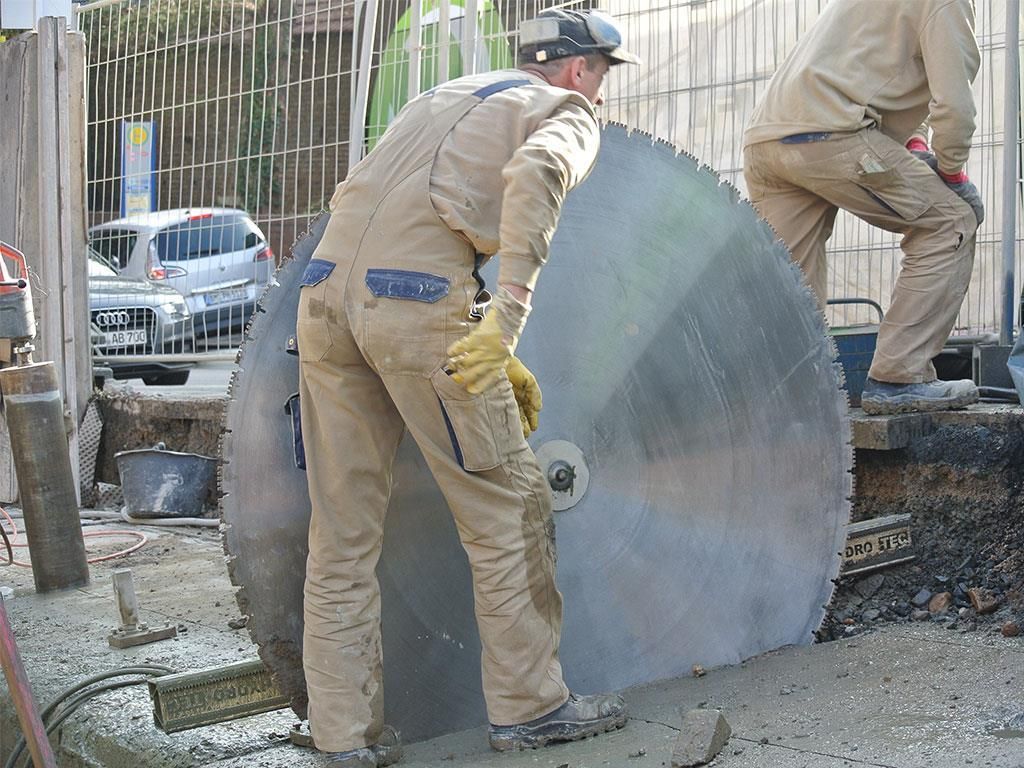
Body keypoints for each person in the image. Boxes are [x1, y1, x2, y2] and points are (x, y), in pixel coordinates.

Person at [295, 9, 639, 767]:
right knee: (508, 509)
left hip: (321, 301)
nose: (602, 92)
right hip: (415, 304)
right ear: (582, 70)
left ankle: (341, 737)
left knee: (342, 533)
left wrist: (464, 306)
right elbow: (537, 174)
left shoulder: (442, 96)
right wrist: (503, 320)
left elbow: (377, 203)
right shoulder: (564, 110)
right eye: (604, 76)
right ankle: (532, 708)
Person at [742, 0, 983, 415]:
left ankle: (787, 406)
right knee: (951, 221)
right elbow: (954, 108)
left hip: (770, 140)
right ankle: (899, 378)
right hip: (833, 136)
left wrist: (917, 146)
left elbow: (884, 76)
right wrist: (952, 175)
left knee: (789, 279)